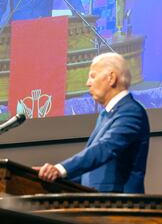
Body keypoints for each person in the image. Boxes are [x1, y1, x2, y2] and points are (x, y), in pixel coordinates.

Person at [37, 52, 149, 192]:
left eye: (93, 76)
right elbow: (91, 171)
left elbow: (105, 148)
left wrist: (60, 169)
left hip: (120, 206)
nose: (88, 83)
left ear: (111, 78)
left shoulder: (131, 111)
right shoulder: (105, 114)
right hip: (98, 202)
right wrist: (46, 175)